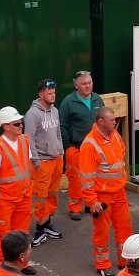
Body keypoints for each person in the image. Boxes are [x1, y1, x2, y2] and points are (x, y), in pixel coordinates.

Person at [78, 107, 134, 276]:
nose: (115, 122)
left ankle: (125, 261)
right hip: (102, 196)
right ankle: (103, 264)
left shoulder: (114, 135)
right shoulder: (89, 145)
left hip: (118, 192)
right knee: (102, 232)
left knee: (124, 228)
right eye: (111, 120)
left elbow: (119, 161)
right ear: (100, 122)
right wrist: (92, 201)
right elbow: (86, 177)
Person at [24, 79, 66, 245]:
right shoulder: (32, 114)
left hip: (56, 159)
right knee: (40, 196)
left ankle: (47, 224)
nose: (53, 95)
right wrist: (36, 162)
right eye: (49, 93)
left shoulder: (55, 111)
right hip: (42, 161)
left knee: (52, 194)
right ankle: (40, 229)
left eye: (54, 92)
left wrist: (61, 152)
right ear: (41, 94)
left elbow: (58, 134)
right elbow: (29, 139)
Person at [0, 106, 35, 256]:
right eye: (16, 124)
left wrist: (28, 186)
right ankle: (0, 263)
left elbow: (28, 165)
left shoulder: (24, 141)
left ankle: (21, 262)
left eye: (21, 122)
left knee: (22, 231)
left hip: (23, 195)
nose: (21, 125)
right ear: (6, 127)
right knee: (2, 233)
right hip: (6, 198)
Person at [59, 71, 102, 220]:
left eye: (89, 83)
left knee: (94, 178)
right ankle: (75, 208)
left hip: (95, 149)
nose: (87, 86)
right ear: (76, 85)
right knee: (76, 180)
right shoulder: (68, 102)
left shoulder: (97, 99)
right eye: (84, 84)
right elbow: (62, 126)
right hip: (75, 148)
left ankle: (91, 205)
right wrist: (68, 146)